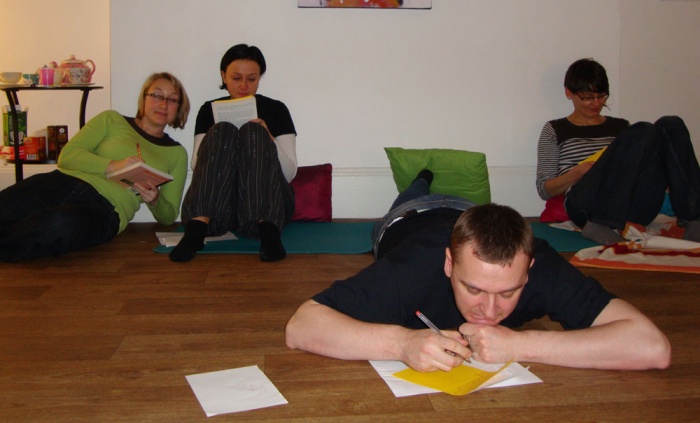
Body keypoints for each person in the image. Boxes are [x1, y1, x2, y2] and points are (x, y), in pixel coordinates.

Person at [285, 170, 671, 372]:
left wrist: (521, 346)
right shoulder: (415, 266)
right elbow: (301, 326)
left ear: (529, 269)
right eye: (473, 289)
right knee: (411, 194)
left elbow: (652, 347)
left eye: (508, 292)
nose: (489, 310)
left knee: (475, 212)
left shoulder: (542, 263)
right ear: (449, 264)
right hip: (406, 218)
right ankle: (420, 179)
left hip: (467, 210)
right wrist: (402, 345)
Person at [0, 72, 190, 262]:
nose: (163, 104)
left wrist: (155, 199)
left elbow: (169, 216)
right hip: (63, 182)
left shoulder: (176, 153)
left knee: (59, 225)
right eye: (157, 95)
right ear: (144, 98)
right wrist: (114, 166)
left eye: (172, 99)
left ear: (179, 108)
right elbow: (67, 156)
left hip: (105, 209)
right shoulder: (111, 119)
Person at [536, 58, 700, 245]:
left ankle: (694, 220)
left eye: (601, 96)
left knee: (670, 124)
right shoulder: (555, 129)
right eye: (587, 97)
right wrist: (578, 172)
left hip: (631, 206)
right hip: (586, 206)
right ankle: (599, 223)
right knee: (644, 129)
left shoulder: (622, 127)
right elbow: (544, 190)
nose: (596, 103)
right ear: (569, 92)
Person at [169, 44, 297, 263]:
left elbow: (290, 173)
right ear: (224, 76)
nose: (244, 85)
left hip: (271, 208)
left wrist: (269, 138)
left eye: (252, 79)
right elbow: (197, 166)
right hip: (219, 210)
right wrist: (216, 138)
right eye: (236, 78)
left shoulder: (277, 109)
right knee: (222, 130)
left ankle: (269, 234)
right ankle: (196, 229)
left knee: (254, 131)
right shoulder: (209, 109)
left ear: (259, 78)